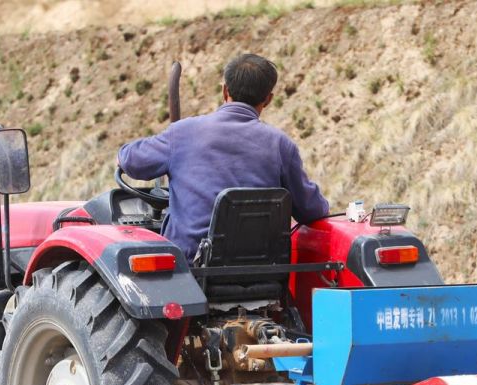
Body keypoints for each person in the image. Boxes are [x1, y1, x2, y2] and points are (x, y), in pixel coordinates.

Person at [117, 53, 330, 259]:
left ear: (225, 90)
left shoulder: (183, 133)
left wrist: (122, 156)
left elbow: (131, 161)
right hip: (263, 269)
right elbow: (311, 210)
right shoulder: (281, 145)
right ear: (268, 99)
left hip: (189, 266)